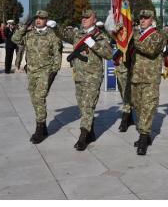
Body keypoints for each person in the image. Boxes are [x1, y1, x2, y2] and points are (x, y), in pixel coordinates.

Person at [53, 9, 113, 151]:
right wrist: (55, 27)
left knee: (88, 106)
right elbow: (63, 35)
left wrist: (94, 45)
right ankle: (91, 132)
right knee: (82, 106)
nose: (84, 20)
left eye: (87, 17)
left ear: (94, 19)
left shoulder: (100, 36)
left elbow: (109, 54)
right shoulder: (77, 34)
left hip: (93, 77)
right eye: (83, 18)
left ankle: (82, 136)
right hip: (79, 76)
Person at [12, 10, 63, 144]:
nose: (38, 20)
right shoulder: (30, 34)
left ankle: (39, 129)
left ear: (46, 20)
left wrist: (53, 72)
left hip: (45, 72)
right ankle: (43, 125)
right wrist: (25, 25)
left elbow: (57, 56)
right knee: (34, 99)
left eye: (41, 18)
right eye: (37, 18)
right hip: (31, 72)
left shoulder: (52, 35)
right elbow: (15, 39)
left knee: (39, 98)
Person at [130, 10, 164, 155]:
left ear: (152, 20)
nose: (142, 20)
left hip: (150, 78)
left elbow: (150, 49)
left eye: (146, 18)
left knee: (148, 107)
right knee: (138, 107)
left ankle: (143, 137)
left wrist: (132, 39)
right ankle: (146, 134)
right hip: (136, 77)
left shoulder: (158, 35)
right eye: (141, 18)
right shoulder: (136, 34)